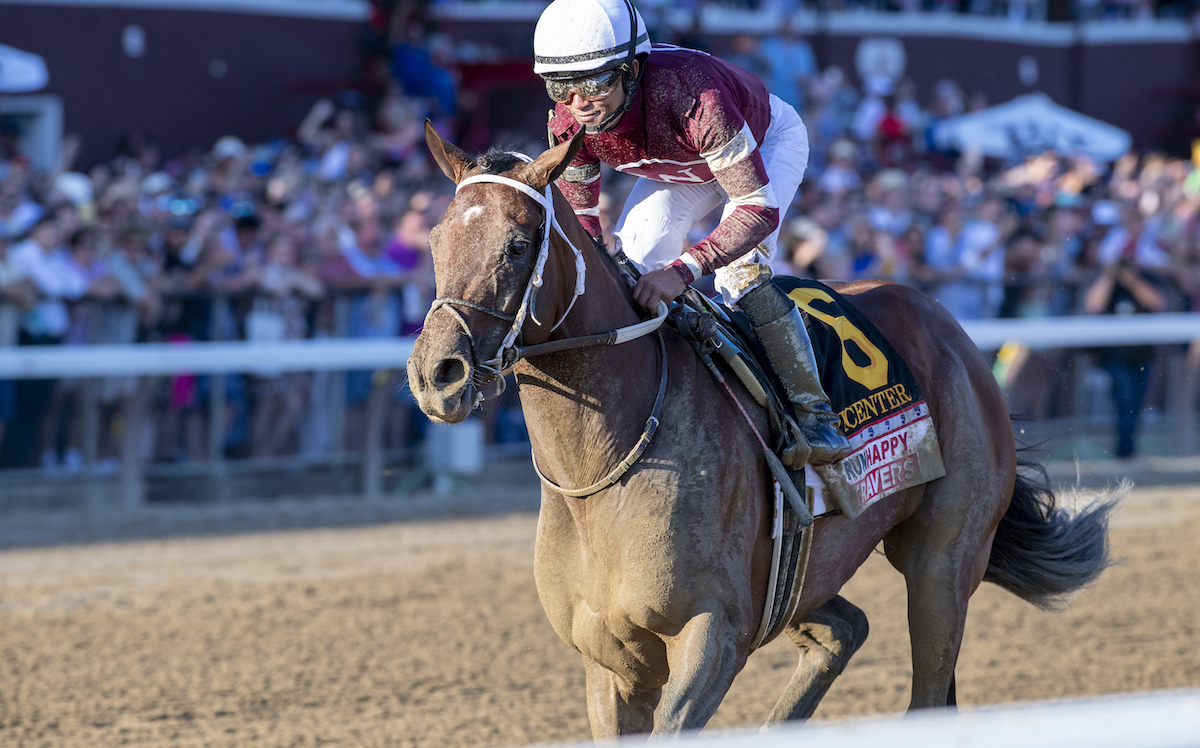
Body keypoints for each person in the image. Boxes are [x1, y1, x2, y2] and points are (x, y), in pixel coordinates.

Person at [534, 0, 849, 466]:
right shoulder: (566, 122)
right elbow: (586, 231)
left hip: (765, 144)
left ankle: (814, 412)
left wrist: (682, 271)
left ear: (632, 69)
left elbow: (756, 210)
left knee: (740, 277)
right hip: (681, 166)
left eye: (594, 82)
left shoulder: (695, 97)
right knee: (635, 266)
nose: (578, 102)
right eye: (561, 85)